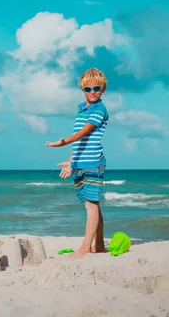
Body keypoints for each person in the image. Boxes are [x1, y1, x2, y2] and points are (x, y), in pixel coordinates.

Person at [45, 67, 109, 259]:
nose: (92, 92)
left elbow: (84, 133)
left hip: (93, 163)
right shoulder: (82, 109)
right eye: (88, 89)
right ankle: (98, 245)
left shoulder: (100, 109)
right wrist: (70, 160)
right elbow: (81, 142)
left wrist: (63, 142)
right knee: (92, 204)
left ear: (103, 89)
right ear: (82, 90)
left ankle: (85, 248)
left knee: (91, 205)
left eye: (96, 88)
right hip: (80, 163)